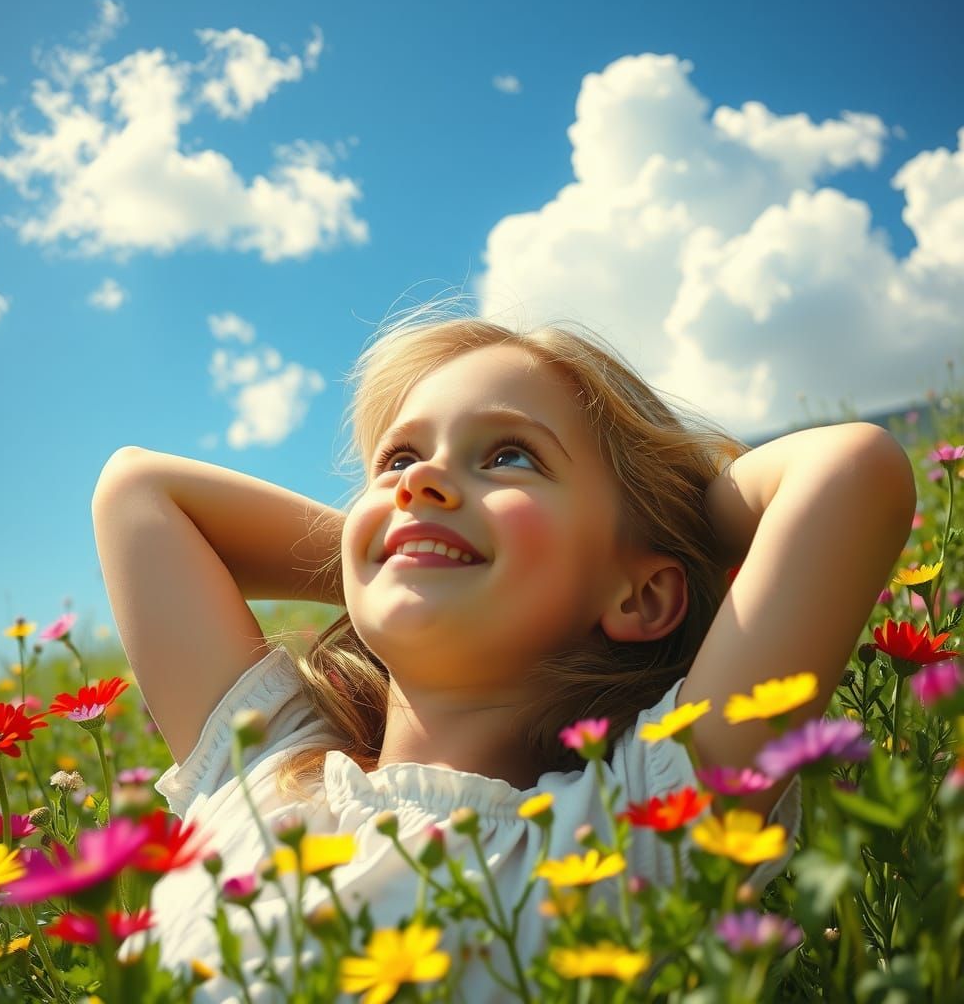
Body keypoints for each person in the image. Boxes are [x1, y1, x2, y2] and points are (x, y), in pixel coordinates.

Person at [92, 306, 916, 1001]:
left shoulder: (637, 824)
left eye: (509, 456)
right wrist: (399, 546)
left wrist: (659, 533)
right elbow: (137, 488)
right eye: (401, 460)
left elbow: (847, 469)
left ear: (641, 598)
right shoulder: (269, 770)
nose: (420, 482)